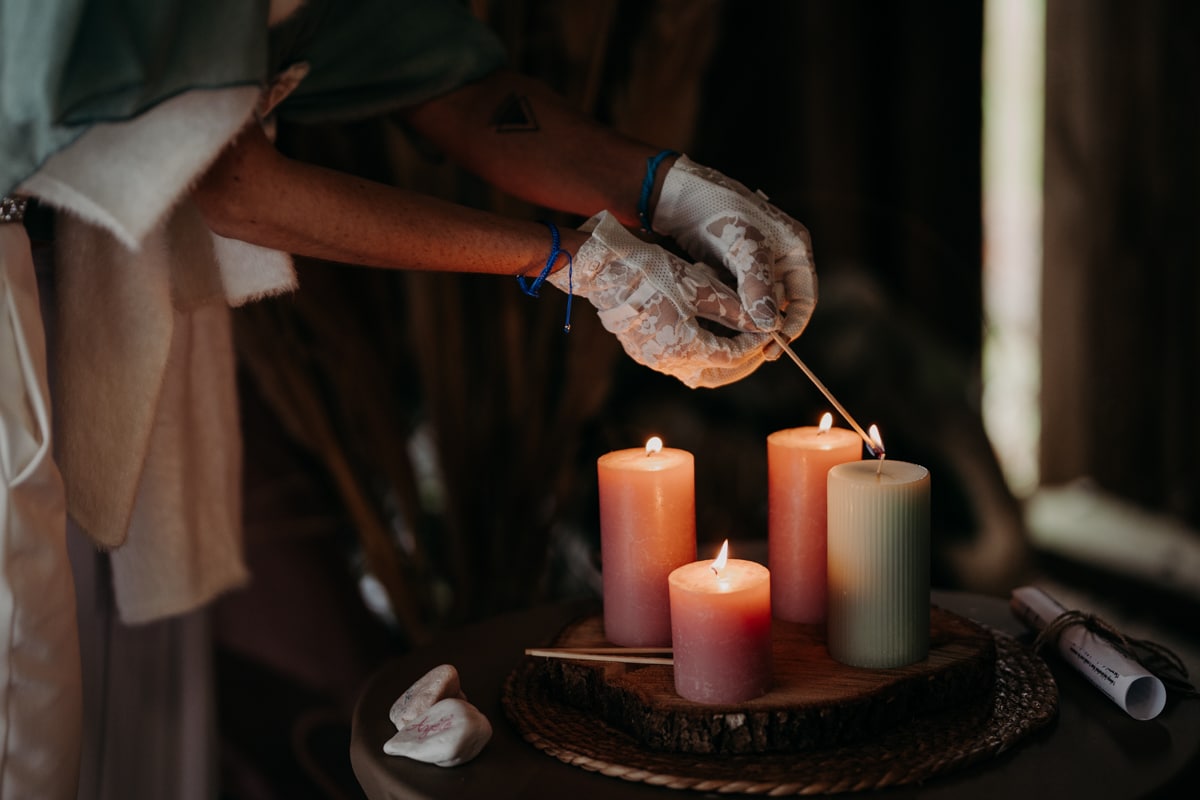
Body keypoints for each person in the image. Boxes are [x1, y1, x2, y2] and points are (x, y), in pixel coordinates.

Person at [0, 0, 816, 796]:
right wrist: (577, 263)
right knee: (23, 697)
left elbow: (450, 90)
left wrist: (672, 191)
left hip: (77, 254)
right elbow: (239, 187)